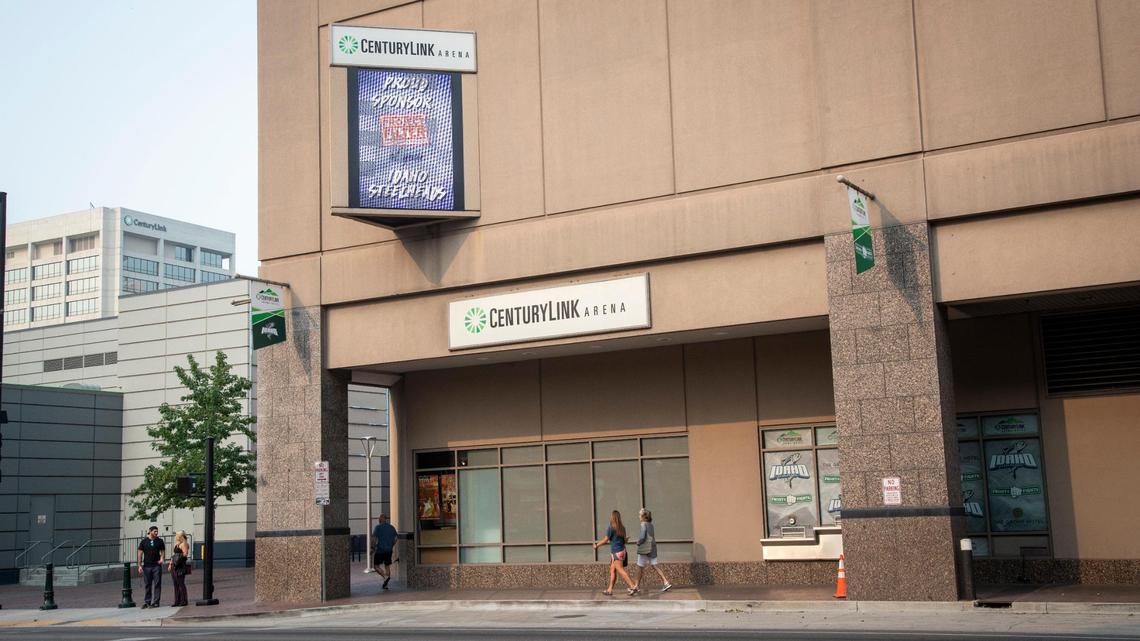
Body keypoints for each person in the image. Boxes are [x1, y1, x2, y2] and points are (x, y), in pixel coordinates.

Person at [592, 510, 635, 597]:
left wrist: (597, 545)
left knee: (620, 570)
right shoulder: (622, 527)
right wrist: (626, 539)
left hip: (616, 552)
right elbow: (624, 541)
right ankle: (610, 589)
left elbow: (605, 540)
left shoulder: (611, 527)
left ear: (612, 517)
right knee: (612, 570)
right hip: (622, 551)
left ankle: (633, 586)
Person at [630, 508, 672, 594]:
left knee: (639, 566)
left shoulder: (643, 524)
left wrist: (638, 542)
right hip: (652, 547)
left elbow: (642, 537)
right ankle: (665, 582)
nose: (639, 516)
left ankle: (636, 586)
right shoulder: (650, 525)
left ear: (644, 516)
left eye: (640, 515)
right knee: (654, 565)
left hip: (645, 548)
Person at [137, 526, 166, 608]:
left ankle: (156, 602)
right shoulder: (144, 542)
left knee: (157, 584)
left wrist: (161, 558)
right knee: (147, 584)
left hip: (156, 566)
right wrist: (139, 565)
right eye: (154, 531)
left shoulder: (159, 541)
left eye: (157, 531)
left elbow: (162, 551)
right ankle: (147, 602)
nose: (156, 533)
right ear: (150, 531)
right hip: (147, 566)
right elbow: (140, 553)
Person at [372, 514, 399, 590]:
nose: (379, 519)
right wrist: (392, 544)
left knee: (376, 566)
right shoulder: (391, 527)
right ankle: (386, 585)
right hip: (389, 550)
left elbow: (374, 538)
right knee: (387, 566)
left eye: (380, 518)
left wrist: (372, 548)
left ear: (382, 519)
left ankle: (385, 576)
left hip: (380, 550)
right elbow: (396, 537)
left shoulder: (378, 527)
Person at [167, 530, 191, 606]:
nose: (176, 537)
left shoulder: (184, 544)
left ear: (181, 536)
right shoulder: (178, 544)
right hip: (174, 566)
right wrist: (170, 564)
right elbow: (173, 555)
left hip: (180, 566)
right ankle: (177, 601)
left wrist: (178, 559)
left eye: (177, 535)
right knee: (176, 584)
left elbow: (185, 555)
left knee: (181, 583)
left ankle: (183, 600)